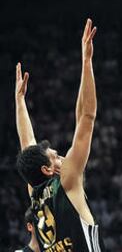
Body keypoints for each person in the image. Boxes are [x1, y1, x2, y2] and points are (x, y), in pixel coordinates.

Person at [15, 19, 105, 251]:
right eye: (56, 157)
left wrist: (19, 102)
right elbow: (87, 116)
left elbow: (28, 146)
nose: (62, 158)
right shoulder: (67, 180)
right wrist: (87, 62)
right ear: (47, 169)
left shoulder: (34, 193)